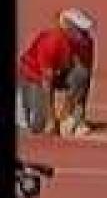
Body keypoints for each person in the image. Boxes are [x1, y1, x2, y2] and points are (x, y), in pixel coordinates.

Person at [16, 8, 96, 137]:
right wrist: (51, 119)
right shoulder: (52, 41)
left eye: (85, 30)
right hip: (33, 76)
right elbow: (47, 82)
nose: (84, 34)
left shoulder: (86, 43)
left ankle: (71, 117)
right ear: (68, 27)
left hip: (59, 72)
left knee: (82, 74)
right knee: (38, 125)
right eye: (80, 30)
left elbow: (85, 78)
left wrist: (76, 112)